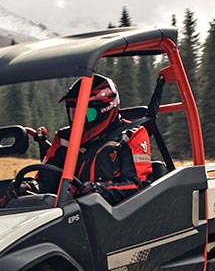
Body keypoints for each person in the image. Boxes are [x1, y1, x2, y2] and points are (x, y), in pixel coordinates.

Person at [23, 74, 154, 205]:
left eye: (87, 114)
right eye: (74, 113)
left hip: (113, 214)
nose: (79, 120)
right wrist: (31, 187)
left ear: (105, 110)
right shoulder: (64, 138)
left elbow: (137, 185)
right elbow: (46, 179)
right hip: (68, 213)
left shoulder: (131, 136)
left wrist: (98, 190)